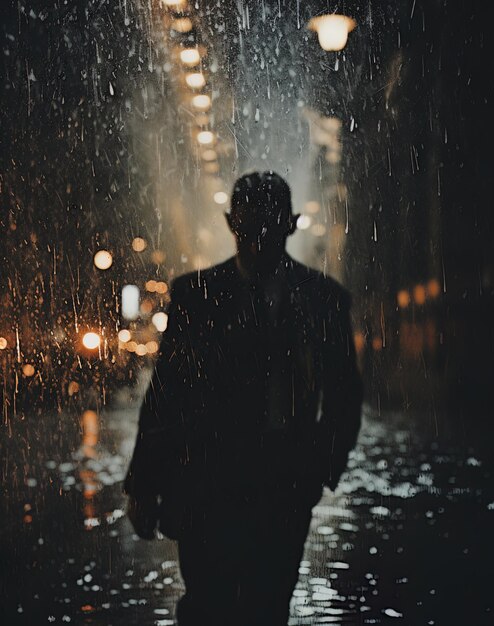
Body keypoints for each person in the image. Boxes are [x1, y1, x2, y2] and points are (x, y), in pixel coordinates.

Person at [124, 171, 363, 626]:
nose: (259, 240)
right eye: (252, 228)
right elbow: (166, 393)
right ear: (233, 224)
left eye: (267, 227)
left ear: (289, 225)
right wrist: (144, 483)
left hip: (277, 483)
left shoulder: (320, 301)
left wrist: (319, 469)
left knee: (265, 606)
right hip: (212, 483)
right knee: (211, 607)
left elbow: (344, 398)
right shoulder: (197, 296)